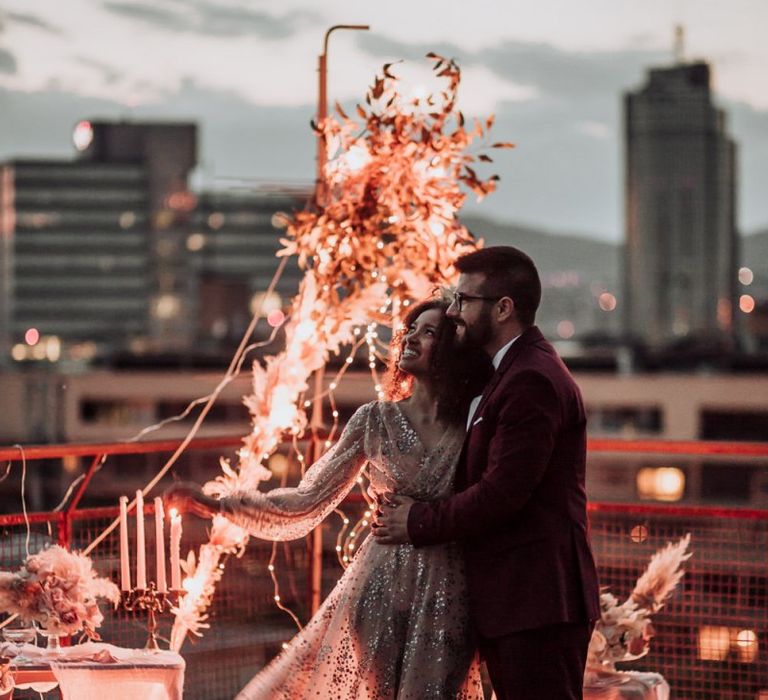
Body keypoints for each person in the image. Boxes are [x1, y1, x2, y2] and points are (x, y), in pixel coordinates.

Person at [165, 299, 493, 699]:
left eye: (428, 332)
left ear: (454, 350)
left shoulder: (475, 423)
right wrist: (220, 505)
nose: (409, 339)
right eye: (410, 329)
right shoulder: (374, 420)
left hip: (450, 589)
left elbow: (490, 502)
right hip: (380, 585)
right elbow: (309, 498)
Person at [373, 246, 601, 700]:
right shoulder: (507, 372)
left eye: (463, 301)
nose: (454, 312)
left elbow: (502, 493)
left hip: (537, 601)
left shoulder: (530, 380)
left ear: (503, 308)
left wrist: (416, 521)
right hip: (519, 601)